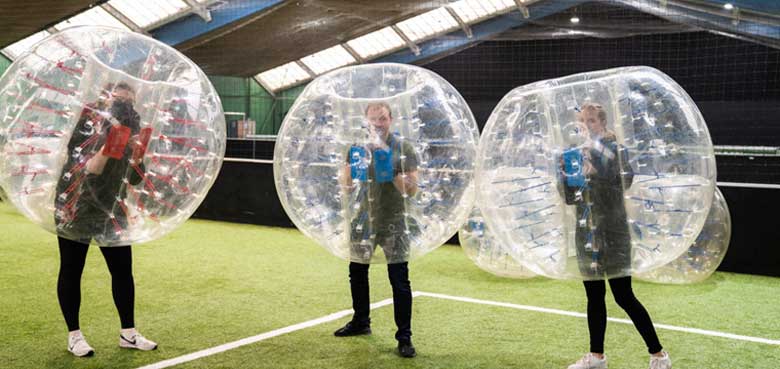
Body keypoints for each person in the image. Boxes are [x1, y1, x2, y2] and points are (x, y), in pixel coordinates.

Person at [561, 103, 671, 369]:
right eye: (582, 121)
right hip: (587, 233)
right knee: (594, 296)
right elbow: (570, 198)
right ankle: (596, 357)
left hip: (613, 232)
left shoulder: (615, 149)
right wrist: (566, 176)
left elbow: (625, 180)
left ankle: (659, 355)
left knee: (623, 296)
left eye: (591, 120)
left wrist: (595, 171)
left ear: (602, 123)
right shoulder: (575, 153)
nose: (586, 126)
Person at [53, 82, 157, 357]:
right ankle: (74, 336)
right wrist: (112, 141)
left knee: (122, 270)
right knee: (72, 268)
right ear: (105, 103)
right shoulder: (86, 127)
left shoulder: (131, 130)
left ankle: (129, 333)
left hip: (112, 207)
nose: (124, 108)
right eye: (119, 102)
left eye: (129, 103)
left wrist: (137, 154)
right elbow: (91, 168)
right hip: (77, 205)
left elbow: (134, 178)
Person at [334, 102, 419, 358]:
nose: (378, 124)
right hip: (364, 219)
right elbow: (346, 186)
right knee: (357, 272)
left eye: (382, 119)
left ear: (391, 119)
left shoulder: (403, 148)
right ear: (366, 121)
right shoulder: (357, 147)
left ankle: (404, 337)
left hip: (395, 221)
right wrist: (351, 172)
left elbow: (412, 190)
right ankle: (361, 321)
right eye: (373, 120)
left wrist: (391, 172)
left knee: (399, 279)